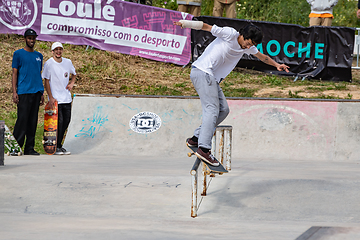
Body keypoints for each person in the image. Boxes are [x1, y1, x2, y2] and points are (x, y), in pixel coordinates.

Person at [173, 20, 289, 166]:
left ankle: (195, 139)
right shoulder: (229, 34)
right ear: (243, 35)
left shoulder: (248, 48)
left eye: (252, 45)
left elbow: (262, 57)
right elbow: (206, 27)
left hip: (211, 78)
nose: (249, 46)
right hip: (203, 71)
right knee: (212, 110)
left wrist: (277, 65)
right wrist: (185, 23)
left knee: (223, 110)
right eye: (249, 42)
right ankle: (204, 148)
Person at [12, 29, 44, 155]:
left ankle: (29, 148)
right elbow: (15, 73)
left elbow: (37, 74)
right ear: (25, 39)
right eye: (29, 38)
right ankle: (16, 147)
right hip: (24, 91)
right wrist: (15, 92)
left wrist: (41, 93)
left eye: (33, 38)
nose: (32, 40)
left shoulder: (39, 56)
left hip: (36, 92)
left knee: (33, 120)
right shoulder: (18, 54)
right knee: (22, 119)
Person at [42, 42, 76, 155]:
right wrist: (50, 97)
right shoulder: (49, 64)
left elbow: (74, 74)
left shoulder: (68, 62)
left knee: (66, 121)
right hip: (55, 99)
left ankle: (60, 145)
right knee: (59, 123)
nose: (58, 51)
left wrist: (71, 83)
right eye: (56, 50)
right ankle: (55, 147)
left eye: (60, 49)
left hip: (66, 98)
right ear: (52, 51)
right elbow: (46, 81)